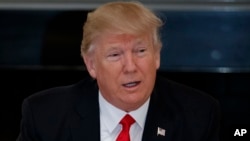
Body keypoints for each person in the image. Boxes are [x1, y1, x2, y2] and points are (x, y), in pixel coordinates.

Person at [17, 1, 220, 141]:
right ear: (91, 65)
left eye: (140, 51)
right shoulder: (44, 116)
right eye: (115, 55)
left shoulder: (198, 115)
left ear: (157, 56)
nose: (131, 67)